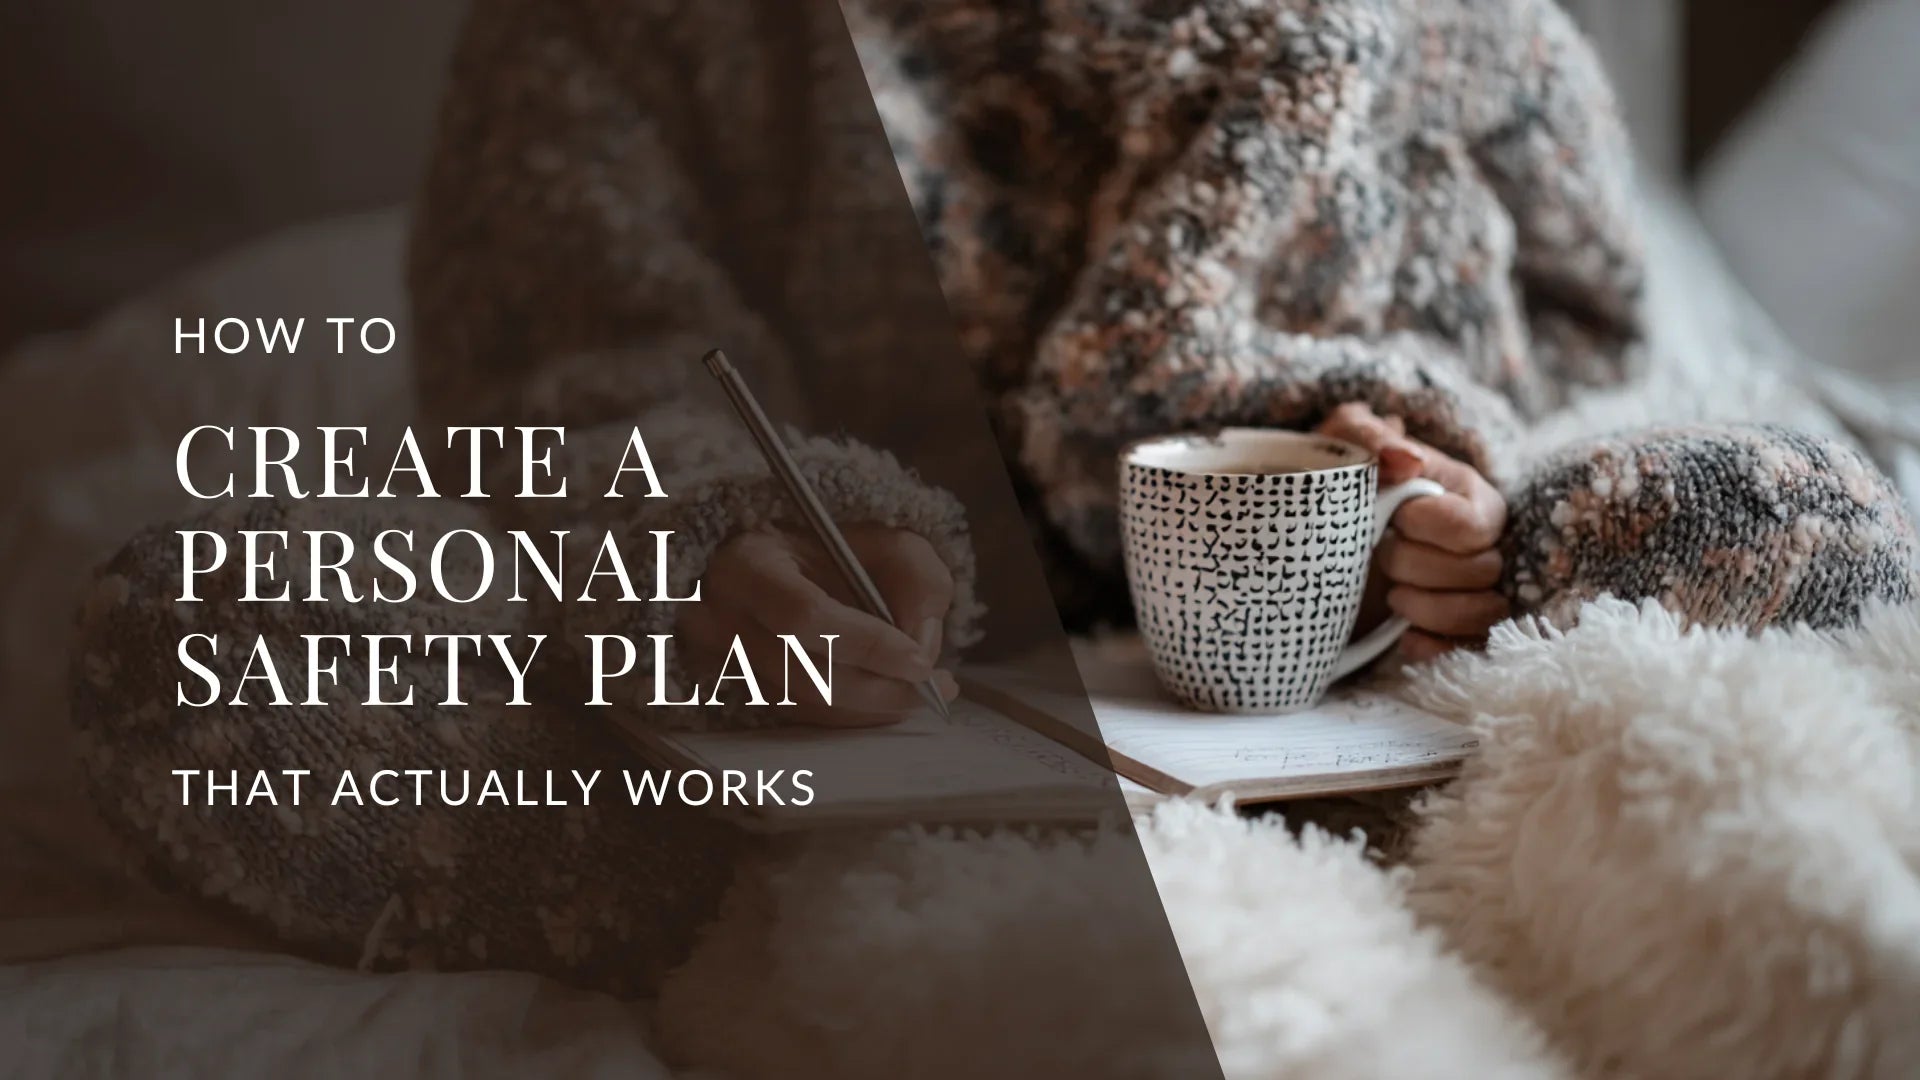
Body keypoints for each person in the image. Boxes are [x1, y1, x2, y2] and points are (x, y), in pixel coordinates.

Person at [70, 0, 1917, 994]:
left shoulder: (1457, 28)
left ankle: (1453, 766)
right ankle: (723, 851)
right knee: (207, 633)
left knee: (1784, 508)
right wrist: (724, 543)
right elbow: (580, 350)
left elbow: (1594, 329)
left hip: (1385, 647)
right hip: (851, 691)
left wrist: (1467, 510)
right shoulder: (627, 34)